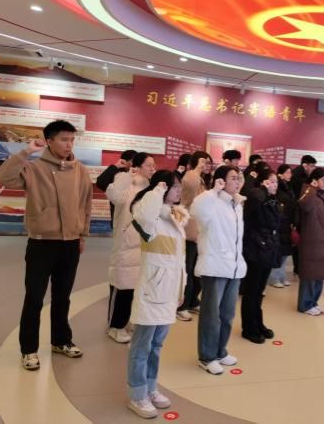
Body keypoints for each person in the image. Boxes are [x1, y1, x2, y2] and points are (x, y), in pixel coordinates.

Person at [0, 120, 93, 371]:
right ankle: (28, 349)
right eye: (64, 139)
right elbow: (2, 177)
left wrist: (82, 235)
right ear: (49, 141)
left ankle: (61, 341)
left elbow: (85, 204)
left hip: (70, 243)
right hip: (41, 243)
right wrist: (26, 151)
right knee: (34, 298)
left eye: (72, 139)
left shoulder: (80, 170)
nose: (69, 144)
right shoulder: (34, 167)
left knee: (63, 297)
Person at [127, 170, 188, 419]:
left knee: (157, 345)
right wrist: (157, 191)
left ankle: (151, 388)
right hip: (152, 291)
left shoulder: (175, 216)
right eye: (174, 186)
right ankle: (137, 395)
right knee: (141, 347)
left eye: (179, 186)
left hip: (169, 292)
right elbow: (144, 217)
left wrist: (181, 288)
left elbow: (178, 260)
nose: (179, 190)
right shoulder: (147, 214)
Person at [191, 165, 246, 375]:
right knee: (211, 316)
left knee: (227, 314)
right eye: (233, 178)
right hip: (215, 266)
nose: (237, 181)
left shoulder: (237, 204)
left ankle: (220, 351)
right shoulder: (211, 201)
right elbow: (196, 211)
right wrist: (212, 191)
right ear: (221, 181)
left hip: (233, 267)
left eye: (238, 178)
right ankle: (207, 357)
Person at [104, 152, 156, 343]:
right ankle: (114, 326)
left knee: (137, 288)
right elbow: (114, 196)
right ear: (138, 166)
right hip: (126, 244)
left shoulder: (151, 188)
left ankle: (128, 322)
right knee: (122, 286)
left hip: (144, 245)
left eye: (154, 165)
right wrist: (126, 176)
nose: (152, 169)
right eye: (149, 165)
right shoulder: (125, 182)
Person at [241, 169, 280, 344]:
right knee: (252, 290)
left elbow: (275, 222)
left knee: (259, 291)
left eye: (276, 182)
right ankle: (249, 328)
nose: (275, 185)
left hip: (267, 248)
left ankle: (258, 322)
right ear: (263, 182)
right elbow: (257, 215)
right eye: (271, 181)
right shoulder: (256, 196)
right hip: (255, 248)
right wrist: (263, 190)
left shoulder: (271, 200)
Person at [176, 151, 211, 321]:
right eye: (203, 161)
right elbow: (188, 200)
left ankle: (192, 301)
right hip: (189, 230)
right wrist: (197, 170)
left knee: (197, 269)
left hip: (198, 231)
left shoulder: (201, 179)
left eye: (208, 162)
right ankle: (182, 305)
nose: (206, 165)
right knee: (188, 270)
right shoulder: (191, 176)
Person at [297, 168, 324, 316]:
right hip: (311, 240)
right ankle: (305, 305)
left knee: (319, 274)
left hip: (321, 241)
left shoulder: (321, 195)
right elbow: (304, 205)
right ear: (315, 180)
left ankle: (313, 302)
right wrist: (311, 188)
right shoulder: (308, 191)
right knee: (310, 274)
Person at [269, 164, 297, 288]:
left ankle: (281, 276)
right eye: (287, 172)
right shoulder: (278, 187)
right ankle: (274, 277)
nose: (290, 175)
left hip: (287, 222)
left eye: (290, 172)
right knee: (279, 252)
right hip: (280, 223)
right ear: (280, 174)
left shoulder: (288, 187)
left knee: (285, 251)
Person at [95, 149, 137, 229]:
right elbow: (100, 183)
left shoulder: (139, 175)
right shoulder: (115, 174)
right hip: (119, 219)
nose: (136, 164)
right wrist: (116, 166)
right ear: (124, 161)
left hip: (135, 219)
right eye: (133, 161)